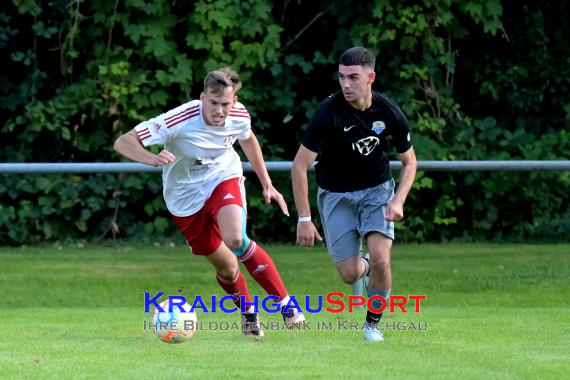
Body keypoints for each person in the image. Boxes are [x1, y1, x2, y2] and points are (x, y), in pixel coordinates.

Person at [114, 67, 305, 336]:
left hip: (222, 178)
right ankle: (248, 313)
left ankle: (287, 306)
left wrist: (267, 183)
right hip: (183, 198)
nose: (219, 110)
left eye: (225, 104)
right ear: (202, 98)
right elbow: (123, 142)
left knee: (235, 238)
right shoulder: (179, 119)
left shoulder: (239, 115)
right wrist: (151, 158)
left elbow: (248, 140)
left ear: (234, 101)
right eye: (213, 103)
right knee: (228, 269)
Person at [291, 47, 417, 342]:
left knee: (381, 259)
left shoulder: (389, 112)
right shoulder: (327, 113)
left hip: (377, 190)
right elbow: (299, 167)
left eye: (353, 78)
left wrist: (398, 199)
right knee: (349, 274)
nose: (345, 84)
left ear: (370, 77)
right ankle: (369, 265)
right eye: (342, 77)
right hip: (336, 195)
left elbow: (410, 162)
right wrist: (304, 218)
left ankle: (372, 324)